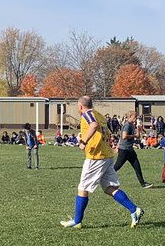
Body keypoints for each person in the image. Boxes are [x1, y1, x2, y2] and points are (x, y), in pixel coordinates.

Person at [60, 96, 144, 229]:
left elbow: (93, 125)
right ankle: (134, 210)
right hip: (107, 155)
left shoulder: (88, 114)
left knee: (83, 188)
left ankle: (77, 221)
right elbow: (107, 132)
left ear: (80, 106)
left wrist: (84, 141)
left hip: (96, 157)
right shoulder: (99, 115)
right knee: (110, 188)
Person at [112, 110, 153, 189]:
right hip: (124, 150)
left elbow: (137, 136)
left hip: (130, 150)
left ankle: (143, 183)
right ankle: (104, 177)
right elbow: (124, 136)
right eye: (135, 117)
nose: (136, 118)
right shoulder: (127, 125)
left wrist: (138, 129)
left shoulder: (132, 125)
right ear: (130, 116)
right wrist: (133, 136)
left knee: (137, 166)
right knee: (117, 166)